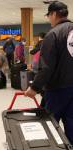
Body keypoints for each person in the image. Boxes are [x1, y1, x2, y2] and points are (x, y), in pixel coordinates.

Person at [25, 1, 73, 144]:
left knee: (49, 124)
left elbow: (46, 66)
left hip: (57, 89)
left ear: (53, 14)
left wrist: (35, 87)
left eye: (49, 16)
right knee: (72, 123)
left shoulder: (53, 34)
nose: (49, 19)